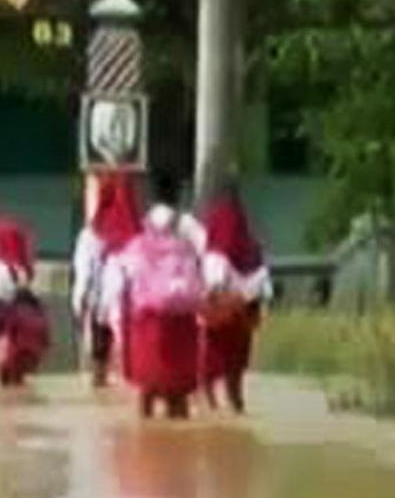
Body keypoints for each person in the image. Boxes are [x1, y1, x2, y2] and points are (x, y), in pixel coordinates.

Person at [107, 175, 206, 419]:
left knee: (146, 386)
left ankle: (145, 440)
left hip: (145, 314)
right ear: (179, 194)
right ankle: (178, 445)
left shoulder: (140, 223)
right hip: (181, 315)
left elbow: (124, 267)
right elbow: (208, 255)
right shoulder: (188, 225)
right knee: (179, 388)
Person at [199, 183, 272, 413]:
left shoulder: (215, 252)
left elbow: (210, 287)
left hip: (218, 322)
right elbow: (264, 288)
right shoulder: (253, 249)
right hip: (242, 323)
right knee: (235, 374)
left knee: (208, 374)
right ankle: (237, 407)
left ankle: (211, 409)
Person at [71, 172, 142, 387]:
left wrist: (79, 300)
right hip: (134, 307)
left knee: (100, 351)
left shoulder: (91, 234)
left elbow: (84, 271)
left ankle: (100, 376)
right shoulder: (140, 232)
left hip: (101, 303)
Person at [0, 215, 50, 387]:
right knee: (18, 382)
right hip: (23, 336)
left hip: (3, 333)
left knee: (2, 387)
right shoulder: (24, 270)